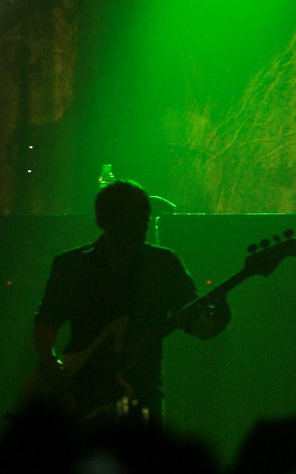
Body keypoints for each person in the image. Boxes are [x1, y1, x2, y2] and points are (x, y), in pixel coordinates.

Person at [30, 179, 229, 418]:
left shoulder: (164, 264)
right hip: (82, 393)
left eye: (142, 221)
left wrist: (220, 316)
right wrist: (49, 362)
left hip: (141, 396)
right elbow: (46, 320)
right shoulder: (73, 265)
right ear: (104, 222)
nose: (139, 230)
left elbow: (197, 327)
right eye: (130, 222)